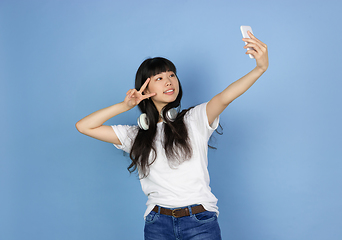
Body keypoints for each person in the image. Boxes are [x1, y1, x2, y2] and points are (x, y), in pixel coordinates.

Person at [76, 31, 268, 240]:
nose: (169, 81)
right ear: (145, 86)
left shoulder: (194, 119)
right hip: (157, 224)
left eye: (172, 75)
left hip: (199, 221)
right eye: (159, 78)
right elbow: (84, 126)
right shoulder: (134, 135)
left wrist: (260, 68)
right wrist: (125, 106)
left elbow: (225, 97)